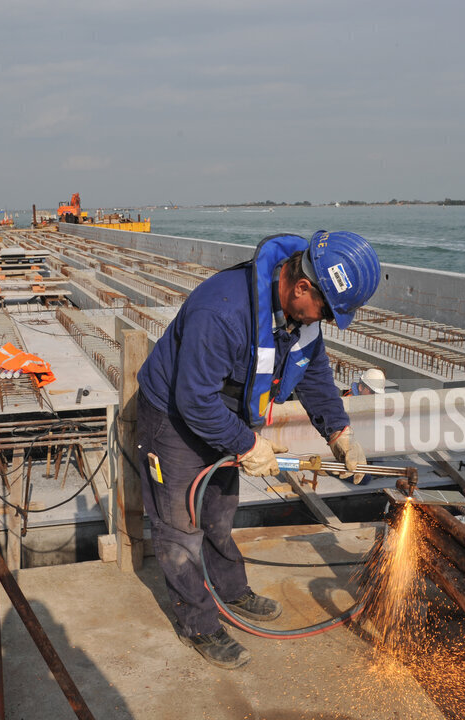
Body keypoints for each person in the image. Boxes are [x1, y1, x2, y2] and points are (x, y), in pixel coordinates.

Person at [135, 231, 381, 669]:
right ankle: (199, 624)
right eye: (326, 310)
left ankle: (230, 590)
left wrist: (339, 433)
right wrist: (248, 444)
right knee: (179, 526)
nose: (325, 320)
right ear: (302, 287)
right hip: (174, 416)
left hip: (225, 412)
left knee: (218, 512)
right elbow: (195, 400)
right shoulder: (223, 311)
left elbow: (312, 371)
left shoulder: (301, 318)